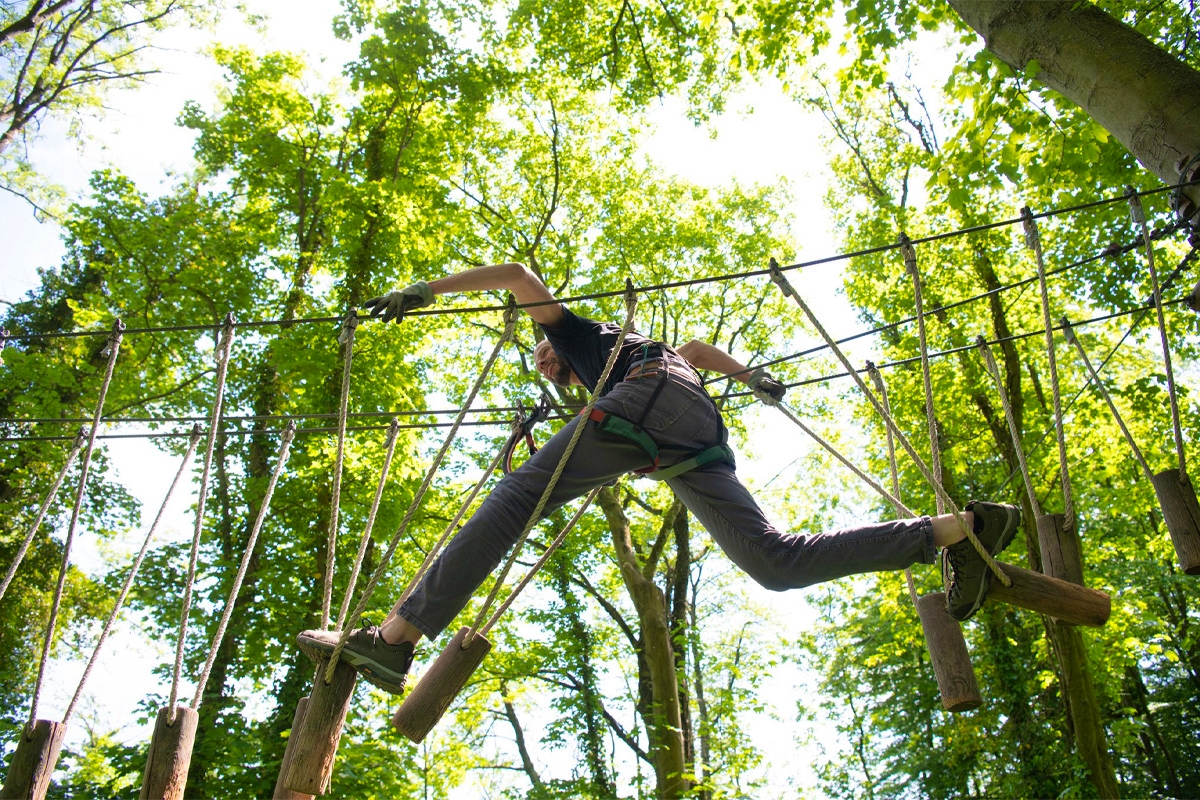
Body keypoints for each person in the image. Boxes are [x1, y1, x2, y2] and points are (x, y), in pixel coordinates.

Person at [297, 263, 1019, 694]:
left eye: (544, 354)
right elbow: (697, 348)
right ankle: (955, 532)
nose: (546, 363)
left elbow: (518, 279)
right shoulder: (631, 357)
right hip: (689, 439)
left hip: (650, 404)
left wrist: (427, 290)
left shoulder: (583, 338)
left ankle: (393, 639)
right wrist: (751, 376)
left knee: (518, 496)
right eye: (545, 361)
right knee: (773, 562)